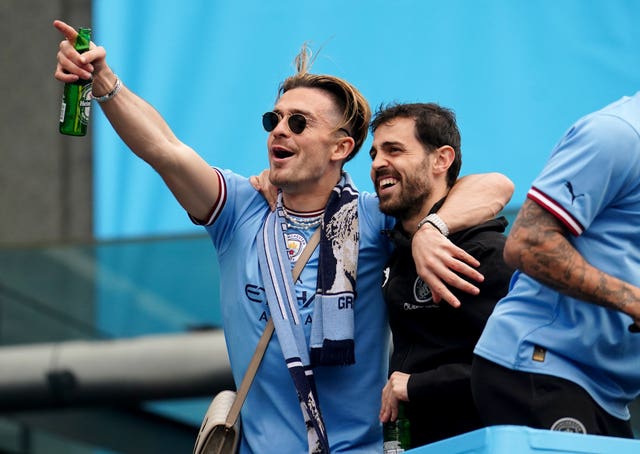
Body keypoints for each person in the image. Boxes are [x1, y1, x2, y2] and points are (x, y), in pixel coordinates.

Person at [53, 20, 514, 453]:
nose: (279, 129)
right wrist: (105, 82)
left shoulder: (376, 219)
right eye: (273, 119)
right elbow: (165, 150)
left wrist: (434, 227)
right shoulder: (237, 209)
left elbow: (493, 185)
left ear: (341, 148)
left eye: (299, 123)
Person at [472, 92, 640, 438]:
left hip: (608, 393)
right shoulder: (615, 135)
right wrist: (633, 300)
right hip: (540, 367)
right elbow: (528, 243)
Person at [370, 103, 514, 447]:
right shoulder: (394, 246)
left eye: (394, 150)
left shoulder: (483, 253)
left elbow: (515, 367)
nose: (376, 164)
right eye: (374, 153)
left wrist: (416, 385)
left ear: (441, 160)